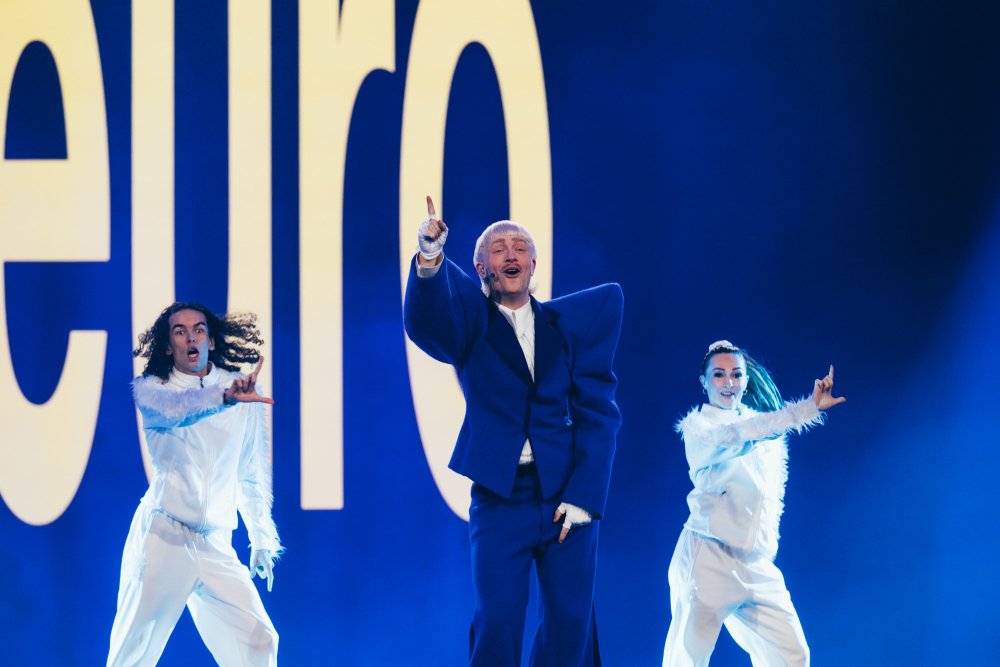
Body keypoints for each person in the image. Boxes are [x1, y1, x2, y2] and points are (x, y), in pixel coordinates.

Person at [403, 197, 623, 666]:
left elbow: (599, 415)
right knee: (498, 621)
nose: (511, 254)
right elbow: (426, 321)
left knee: (570, 623)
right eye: (498, 248)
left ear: (533, 264)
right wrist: (430, 256)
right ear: (481, 268)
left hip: (565, 495)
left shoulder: (567, 329)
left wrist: (584, 496)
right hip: (500, 497)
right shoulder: (470, 325)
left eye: (520, 247)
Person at [107, 302, 282, 667]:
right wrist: (224, 398)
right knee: (133, 653)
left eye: (199, 330)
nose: (191, 338)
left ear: (211, 341)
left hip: (216, 543)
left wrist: (262, 537)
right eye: (180, 331)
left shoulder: (241, 390)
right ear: (168, 345)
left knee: (259, 640)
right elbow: (179, 410)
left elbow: (250, 472)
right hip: (164, 538)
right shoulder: (154, 391)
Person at [662, 340, 846, 667]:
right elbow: (739, 435)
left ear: (746, 380)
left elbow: (761, 436)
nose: (728, 382)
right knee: (686, 660)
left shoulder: (758, 423)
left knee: (792, 656)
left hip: (755, 564)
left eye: (736, 374)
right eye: (719, 375)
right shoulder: (700, 429)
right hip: (708, 558)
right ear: (704, 382)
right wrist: (807, 408)